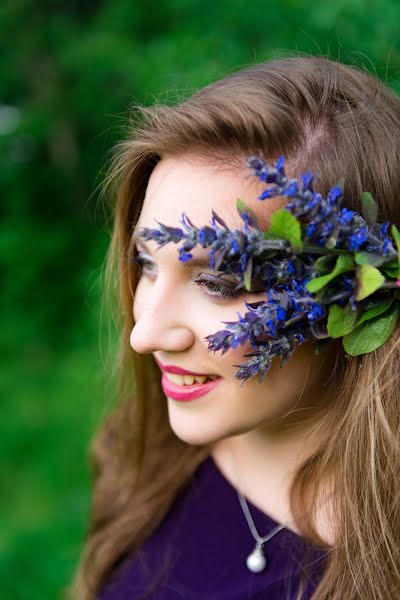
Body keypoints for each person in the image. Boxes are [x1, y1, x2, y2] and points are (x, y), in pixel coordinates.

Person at [66, 55, 400, 600]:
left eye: (220, 281)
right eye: (147, 264)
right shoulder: (145, 462)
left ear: (360, 291)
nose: (144, 334)